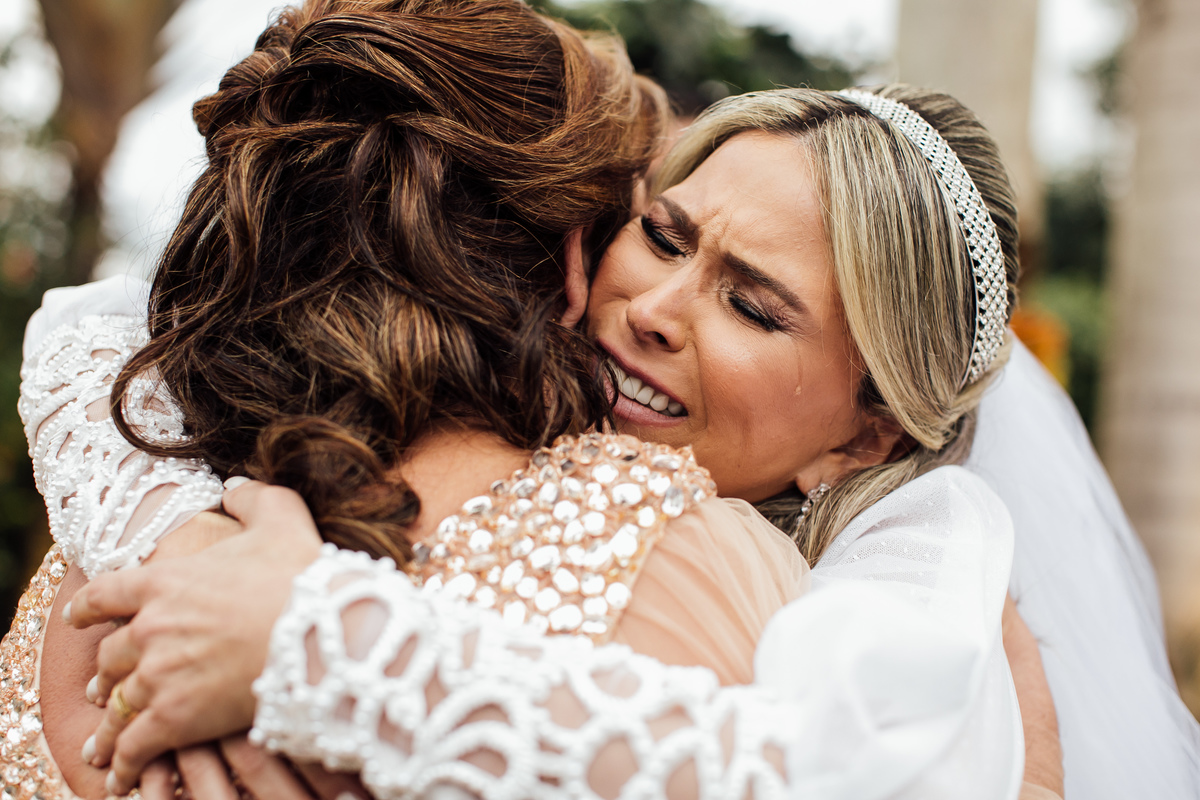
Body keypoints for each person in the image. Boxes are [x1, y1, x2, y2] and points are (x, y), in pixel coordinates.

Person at [13, 44, 1050, 800]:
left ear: (865, 437)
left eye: (751, 306)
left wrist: (317, 647)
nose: (653, 309)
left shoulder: (923, 625)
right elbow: (99, 328)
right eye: (662, 236)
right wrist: (173, 533)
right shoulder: (248, 436)